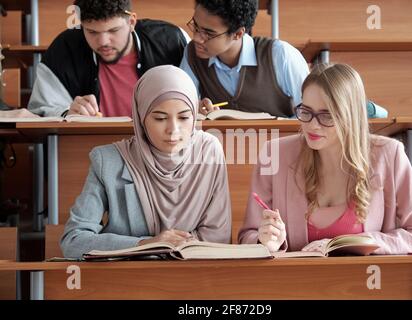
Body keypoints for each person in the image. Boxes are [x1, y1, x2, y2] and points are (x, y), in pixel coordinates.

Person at [238, 63, 412, 254]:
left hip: (367, 284)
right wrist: (266, 241)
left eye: (327, 116)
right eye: (306, 111)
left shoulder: (389, 154)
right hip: (294, 285)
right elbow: (248, 235)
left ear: (350, 115)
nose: (312, 125)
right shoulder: (275, 154)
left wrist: (368, 241)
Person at [61, 65, 232, 258]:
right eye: (160, 118)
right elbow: (73, 242)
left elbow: (218, 239)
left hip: (195, 278)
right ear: (141, 117)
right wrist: (146, 244)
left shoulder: (209, 151)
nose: (173, 130)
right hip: (127, 281)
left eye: (184, 117)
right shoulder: (108, 161)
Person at [28, 0, 188, 118]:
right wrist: (67, 113)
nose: (103, 42)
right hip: (92, 150)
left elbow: (200, 98)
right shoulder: (64, 48)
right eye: (92, 32)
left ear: (131, 22)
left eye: (113, 30)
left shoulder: (172, 39)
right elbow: (39, 110)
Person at [180, 0, 310, 118]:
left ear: (238, 34)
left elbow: (310, 114)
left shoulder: (280, 55)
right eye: (195, 26)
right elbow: (179, 107)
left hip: (281, 141)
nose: (197, 38)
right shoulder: (192, 54)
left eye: (208, 33)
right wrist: (195, 109)